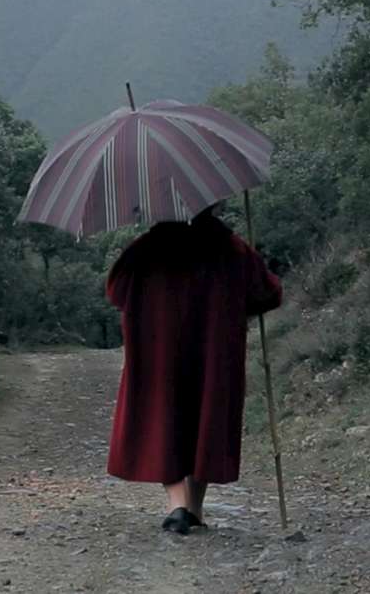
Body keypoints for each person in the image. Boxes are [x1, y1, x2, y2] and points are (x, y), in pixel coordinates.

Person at [104, 204, 283, 535]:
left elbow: (116, 292)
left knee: (164, 418)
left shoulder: (145, 249)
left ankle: (177, 505)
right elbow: (268, 295)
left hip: (158, 350)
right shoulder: (231, 248)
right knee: (206, 418)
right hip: (214, 353)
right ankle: (195, 508)